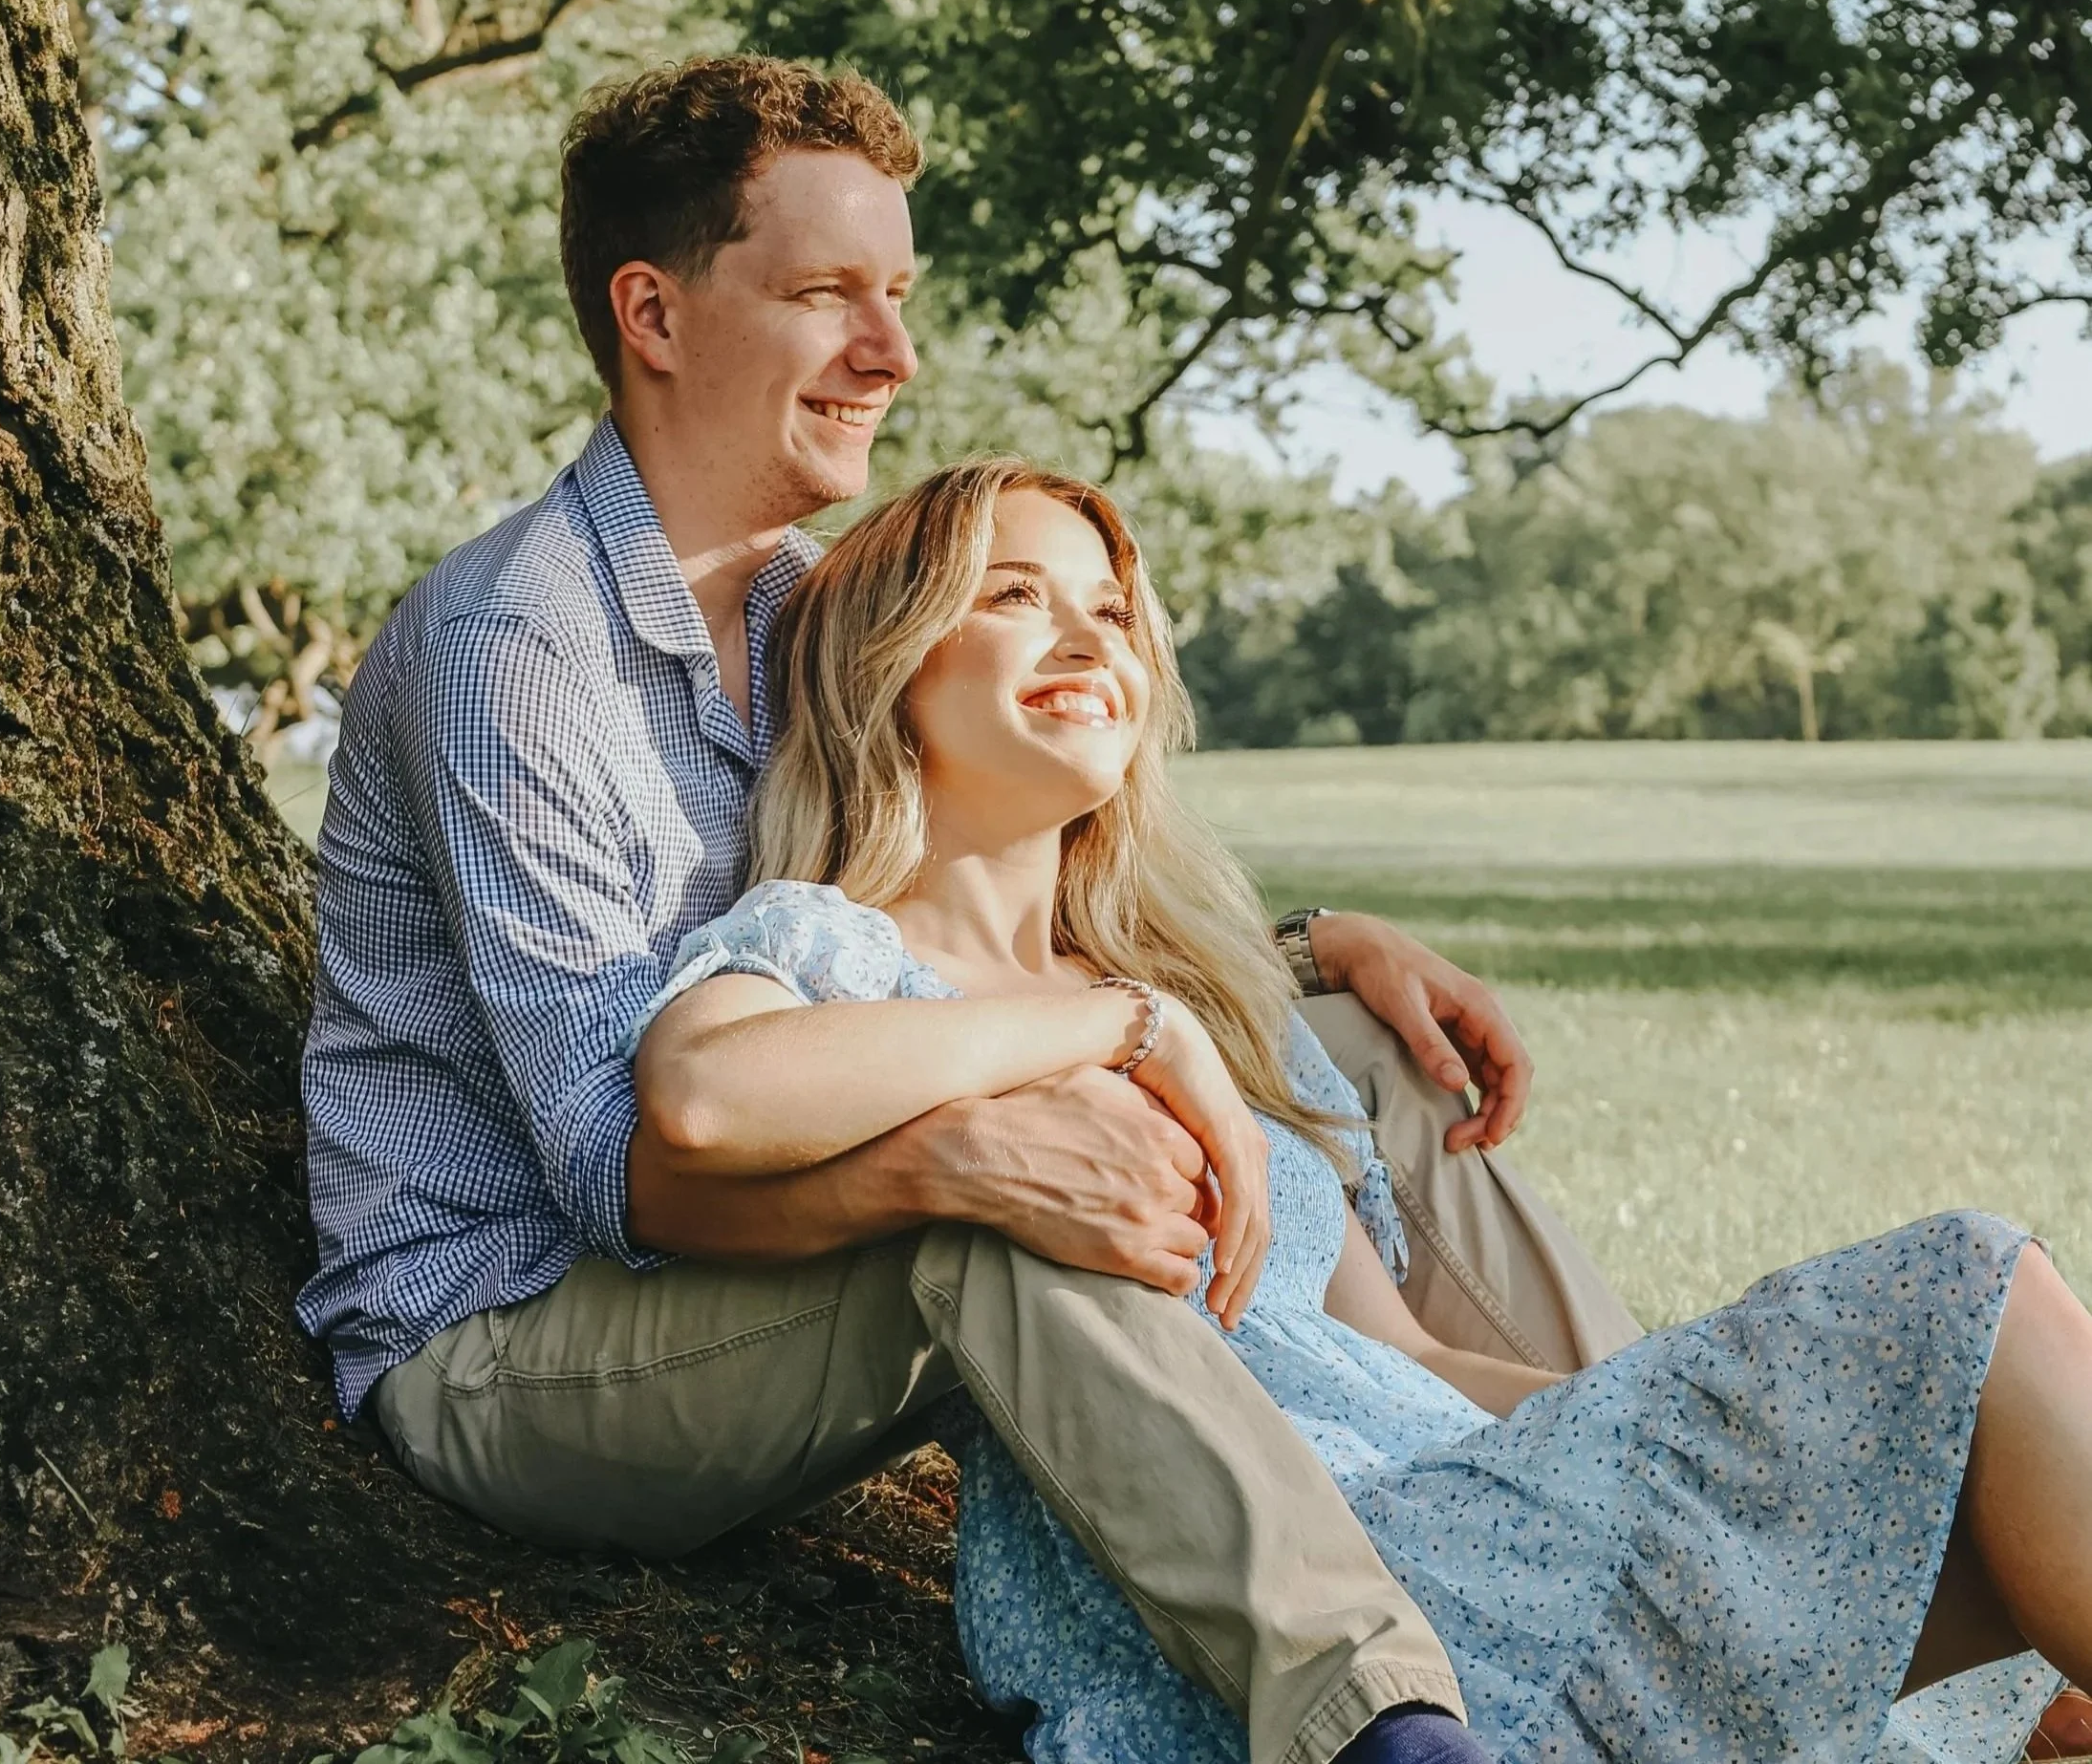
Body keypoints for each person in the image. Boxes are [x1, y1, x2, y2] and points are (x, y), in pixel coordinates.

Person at [296, 53, 1628, 1764]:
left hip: (749, 1246)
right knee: (1002, 1191)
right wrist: (966, 1145)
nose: (893, 356)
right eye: (827, 294)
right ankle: (1383, 1727)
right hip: (506, 1334)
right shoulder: (517, 644)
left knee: (1367, 1048)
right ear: (656, 312)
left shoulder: (798, 609)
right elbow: (628, 1166)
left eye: (898, 296)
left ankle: (1626, 1477)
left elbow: (940, 904)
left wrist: (1300, 957)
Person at [622, 457, 2086, 1764]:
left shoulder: (1213, 1005)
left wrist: (1681, 1398)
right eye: (1015, 595)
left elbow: (1403, 1358)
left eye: (1113, 613)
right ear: (890, 663)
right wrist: (1113, 1028)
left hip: (1456, 1505)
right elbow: (699, 1095)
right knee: (1972, 1279)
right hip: (1270, 1587)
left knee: (1974, 1432)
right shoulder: (844, 949)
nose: (1087, 638)